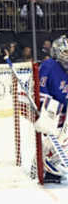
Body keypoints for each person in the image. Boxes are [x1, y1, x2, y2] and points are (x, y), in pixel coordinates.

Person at [34, 35, 68, 184]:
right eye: (66, 52)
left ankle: (51, 162)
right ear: (57, 51)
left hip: (64, 116)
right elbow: (40, 91)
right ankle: (48, 164)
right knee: (50, 142)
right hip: (52, 114)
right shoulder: (49, 65)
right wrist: (50, 111)